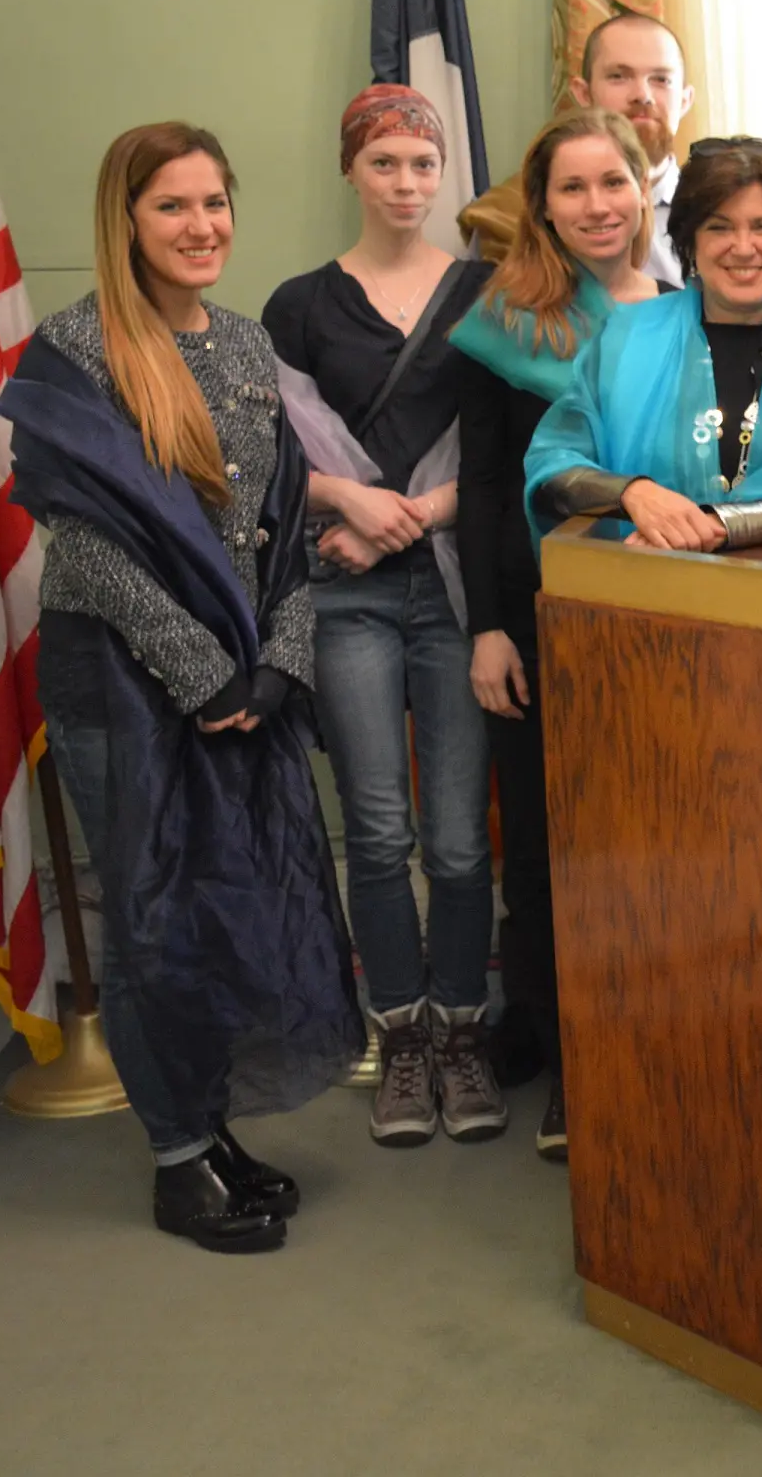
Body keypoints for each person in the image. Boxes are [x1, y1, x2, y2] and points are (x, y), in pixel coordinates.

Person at [0, 122, 361, 1252]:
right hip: (121, 671)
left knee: (236, 892)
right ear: (127, 222)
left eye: (215, 203)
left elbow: (289, 529)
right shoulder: (74, 352)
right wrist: (205, 673)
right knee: (154, 909)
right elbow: (86, 546)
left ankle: (210, 1130)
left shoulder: (250, 348)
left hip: (246, 669)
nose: (201, 227)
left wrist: (277, 661)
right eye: (173, 207)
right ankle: (173, 1159)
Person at [263, 86, 503, 1150]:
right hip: (347, 586)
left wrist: (410, 516)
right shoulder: (300, 305)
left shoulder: (488, 292)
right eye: (387, 165)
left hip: (454, 585)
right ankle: (399, 1034)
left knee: (456, 838)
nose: (408, 185)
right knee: (377, 828)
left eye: (423, 164)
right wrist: (345, 502)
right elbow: (272, 455)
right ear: (350, 171)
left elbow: (507, 444)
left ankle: (462, 1028)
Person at [448, 108, 665, 1161]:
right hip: (541, 625)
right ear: (541, 207)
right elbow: (488, 489)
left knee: (650, 851)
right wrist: (491, 630)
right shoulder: (507, 321)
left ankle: (654, 1050)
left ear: (643, 187)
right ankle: (571, 1069)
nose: (597, 206)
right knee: (543, 851)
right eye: (572, 189)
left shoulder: (685, 313)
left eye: (612, 183)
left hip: (663, 632)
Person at [526, 139, 762, 549]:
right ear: (689, 241)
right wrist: (632, 493)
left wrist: (718, 526)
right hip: (643, 593)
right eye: (719, 227)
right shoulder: (624, 339)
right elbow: (553, 466)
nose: (743, 248)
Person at [460, 12, 692, 286]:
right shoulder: (505, 215)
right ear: (583, 93)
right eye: (619, 76)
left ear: (685, 100)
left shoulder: (717, 210)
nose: (642, 94)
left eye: (661, 79)